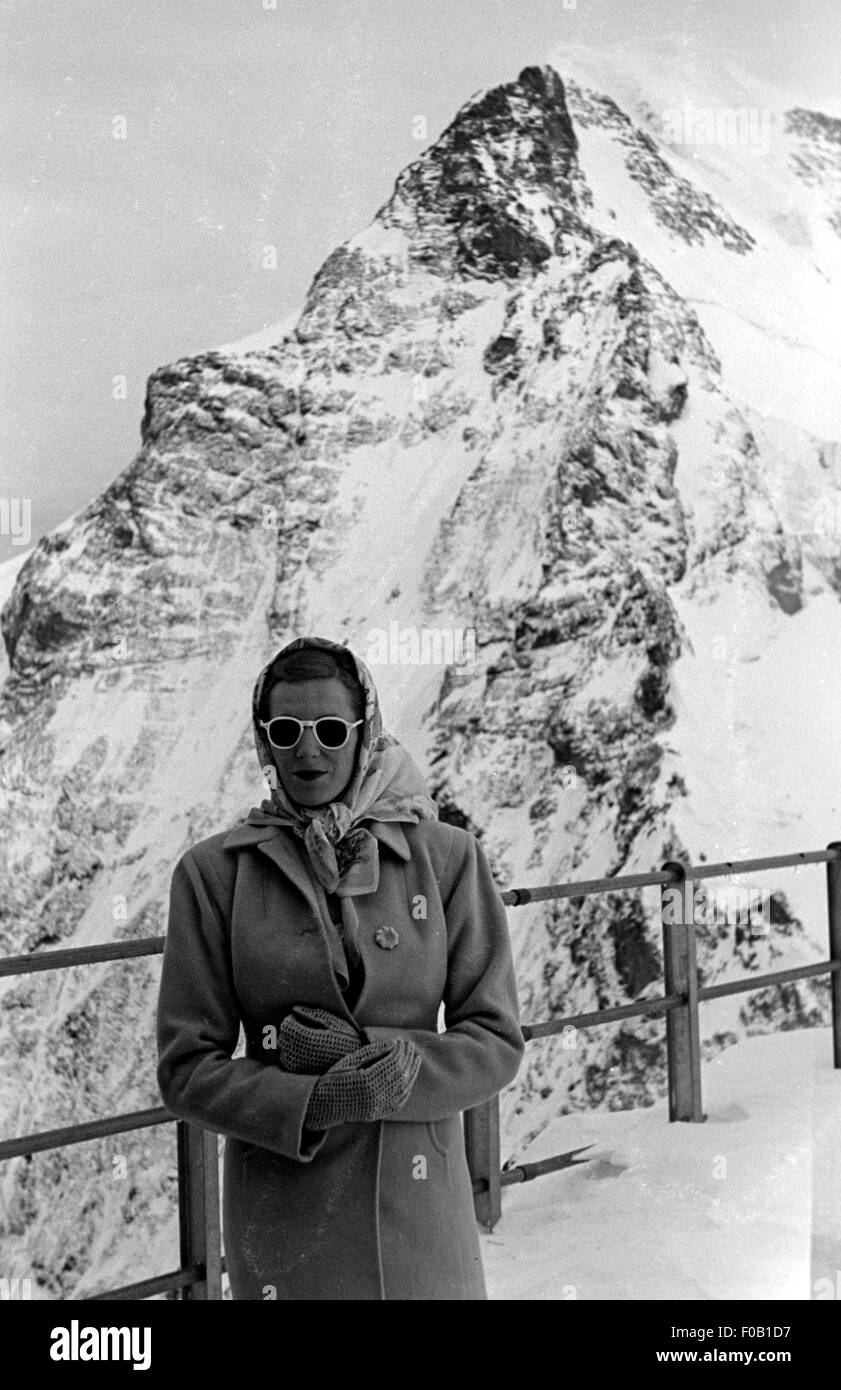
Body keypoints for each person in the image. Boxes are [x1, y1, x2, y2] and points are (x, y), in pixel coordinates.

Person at [156, 634, 524, 1300]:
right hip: (288, 1223)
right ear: (263, 739)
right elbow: (186, 1070)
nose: (307, 749)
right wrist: (315, 1100)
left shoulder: (443, 859)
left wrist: (377, 1061)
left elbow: (495, 1042)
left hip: (416, 1214)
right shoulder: (214, 876)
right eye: (285, 729)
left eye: (329, 728)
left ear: (364, 732)